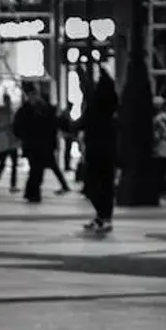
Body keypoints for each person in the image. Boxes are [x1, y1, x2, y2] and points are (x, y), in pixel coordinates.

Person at [74, 68, 119, 234]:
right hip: (108, 151)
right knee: (106, 184)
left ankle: (103, 216)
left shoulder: (96, 108)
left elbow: (82, 122)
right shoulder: (111, 108)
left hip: (96, 150)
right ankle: (103, 217)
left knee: (93, 184)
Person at [13, 85, 61, 204]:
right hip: (32, 145)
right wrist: (25, 136)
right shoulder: (24, 110)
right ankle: (33, 192)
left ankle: (32, 192)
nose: (34, 98)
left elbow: (53, 126)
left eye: (35, 95)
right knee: (35, 169)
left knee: (38, 170)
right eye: (32, 95)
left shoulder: (46, 109)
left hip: (44, 145)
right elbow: (17, 127)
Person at [0, 94, 20, 194]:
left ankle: (13, 185)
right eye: (6, 100)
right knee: (2, 164)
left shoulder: (13, 112)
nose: (8, 102)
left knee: (14, 164)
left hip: (12, 141)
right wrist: (3, 126)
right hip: (3, 141)